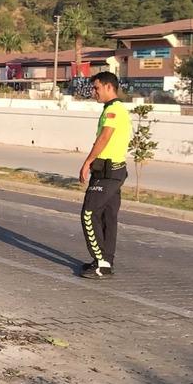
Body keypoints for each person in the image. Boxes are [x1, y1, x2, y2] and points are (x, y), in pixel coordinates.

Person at [77, 71, 131, 279]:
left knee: (89, 214)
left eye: (97, 88)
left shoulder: (114, 110)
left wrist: (87, 161)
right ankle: (105, 262)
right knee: (108, 216)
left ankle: (101, 262)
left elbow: (105, 136)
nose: (94, 92)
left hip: (109, 173)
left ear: (109, 87)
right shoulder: (113, 109)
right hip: (111, 171)